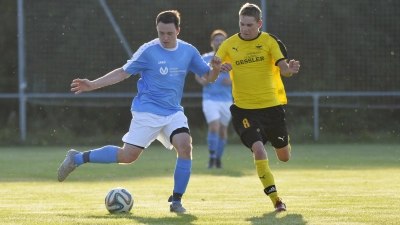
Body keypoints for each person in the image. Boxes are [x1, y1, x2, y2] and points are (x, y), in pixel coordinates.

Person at [57, 10, 231, 213]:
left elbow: (209, 77)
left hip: (173, 111)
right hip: (147, 111)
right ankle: (77, 158)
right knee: (128, 156)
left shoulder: (189, 51)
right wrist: (92, 84)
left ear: (178, 31)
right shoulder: (148, 50)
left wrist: (217, 69)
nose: (165, 38)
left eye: (169, 33)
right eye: (161, 33)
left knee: (185, 146)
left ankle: (176, 201)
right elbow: (123, 72)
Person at [215, 3, 300, 212]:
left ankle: (284, 142)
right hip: (244, 110)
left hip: (271, 108)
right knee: (259, 149)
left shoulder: (270, 41)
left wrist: (290, 70)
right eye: (242, 24)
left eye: (249, 25)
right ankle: (276, 201)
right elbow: (213, 69)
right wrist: (219, 67)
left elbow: (284, 70)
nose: (245, 29)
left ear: (259, 23)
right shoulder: (229, 44)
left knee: (284, 157)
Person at [194, 29, 232, 169]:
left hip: (226, 99)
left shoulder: (231, 58)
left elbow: (242, 74)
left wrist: (232, 81)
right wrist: (202, 80)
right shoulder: (205, 58)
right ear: (212, 42)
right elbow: (197, 74)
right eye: (216, 40)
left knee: (223, 130)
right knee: (214, 126)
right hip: (210, 98)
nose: (219, 42)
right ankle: (211, 158)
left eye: (222, 40)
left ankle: (218, 159)